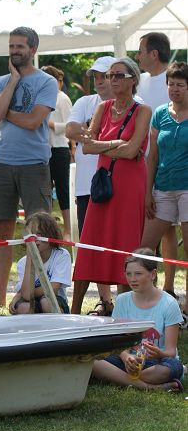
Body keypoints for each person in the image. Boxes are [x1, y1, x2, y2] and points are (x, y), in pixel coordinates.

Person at [0, 27, 58, 310]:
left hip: (34, 164)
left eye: (20, 46)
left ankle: (39, 292)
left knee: (39, 231)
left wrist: (5, 113)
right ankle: (0, 294)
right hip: (2, 162)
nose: (14, 50)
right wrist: (13, 80)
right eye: (11, 46)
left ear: (33, 50)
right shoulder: (1, 81)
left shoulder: (47, 82)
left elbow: (32, 122)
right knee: (4, 232)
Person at [72, 58, 151, 305]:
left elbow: (132, 151)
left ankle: (124, 311)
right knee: (90, 243)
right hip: (103, 186)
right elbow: (87, 147)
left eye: (118, 75)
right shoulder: (102, 108)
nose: (112, 80)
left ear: (133, 79)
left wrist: (103, 147)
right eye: (110, 75)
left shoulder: (143, 111)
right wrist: (116, 144)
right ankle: (74, 310)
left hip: (130, 187)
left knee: (125, 244)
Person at [64, 56, 122, 315]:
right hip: (87, 186)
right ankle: (104, 300)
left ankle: (127, 302)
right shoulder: (85, 101)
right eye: (95, 76)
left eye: (104, 75)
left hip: (120, 184)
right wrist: (99, 136)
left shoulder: (135, 105)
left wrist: (91, 136)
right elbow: (70, 129)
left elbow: (128, 142)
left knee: (120, 244)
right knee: (89, 247)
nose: (99, 81)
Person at [91, 249, 183, 392]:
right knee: (93, 362)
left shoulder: (169, 304)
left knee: (174, 367)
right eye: (128, 274)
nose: (132, 279)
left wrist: (159, 354)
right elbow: (118, 344)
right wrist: (126, 357)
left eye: (138, 274)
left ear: (153, 274)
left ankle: (122, 378)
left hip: (157, 363)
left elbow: (171, 352)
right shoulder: (122, 300)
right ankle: (150, 387)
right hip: (129, 361)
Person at [135, 32, 181, 303]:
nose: (137, 57)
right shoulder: (138, 81)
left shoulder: (175, 80)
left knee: (168, 228)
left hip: (168, 167)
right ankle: (144, 284)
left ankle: (169, 285)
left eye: (140, 51)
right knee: (150, 226)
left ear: (154, 53)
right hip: (142, 163)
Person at [140, 62, 188, 313]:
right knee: (144, 248)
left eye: (180, 84)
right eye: (171, 84)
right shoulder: (160, 113)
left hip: (187, 189)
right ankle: (148, 299)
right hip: (163, 188)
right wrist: (147, 192)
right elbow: (152, 156)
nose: (175, 89)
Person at [9, 212, 71, 314]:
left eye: (40, 234)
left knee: (46, 302)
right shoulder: (22, 262)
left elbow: (52, 289)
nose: (34, 239)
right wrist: (30, 257)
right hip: (31, 301)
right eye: (31, 234)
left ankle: (56, 328)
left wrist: (26, 294)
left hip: (54, 300)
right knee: (24, 307)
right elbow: (25, 294)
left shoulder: (61, 256)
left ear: (50, 234)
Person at [40, 65, 74, 241]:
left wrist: (52, 125)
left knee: (62, 190)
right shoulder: (41, 98)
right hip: (43, 149)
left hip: (59, 149)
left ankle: (68, 230)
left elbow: (71, 126)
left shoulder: (62, 99)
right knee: (45, 191)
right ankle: (47, 229)